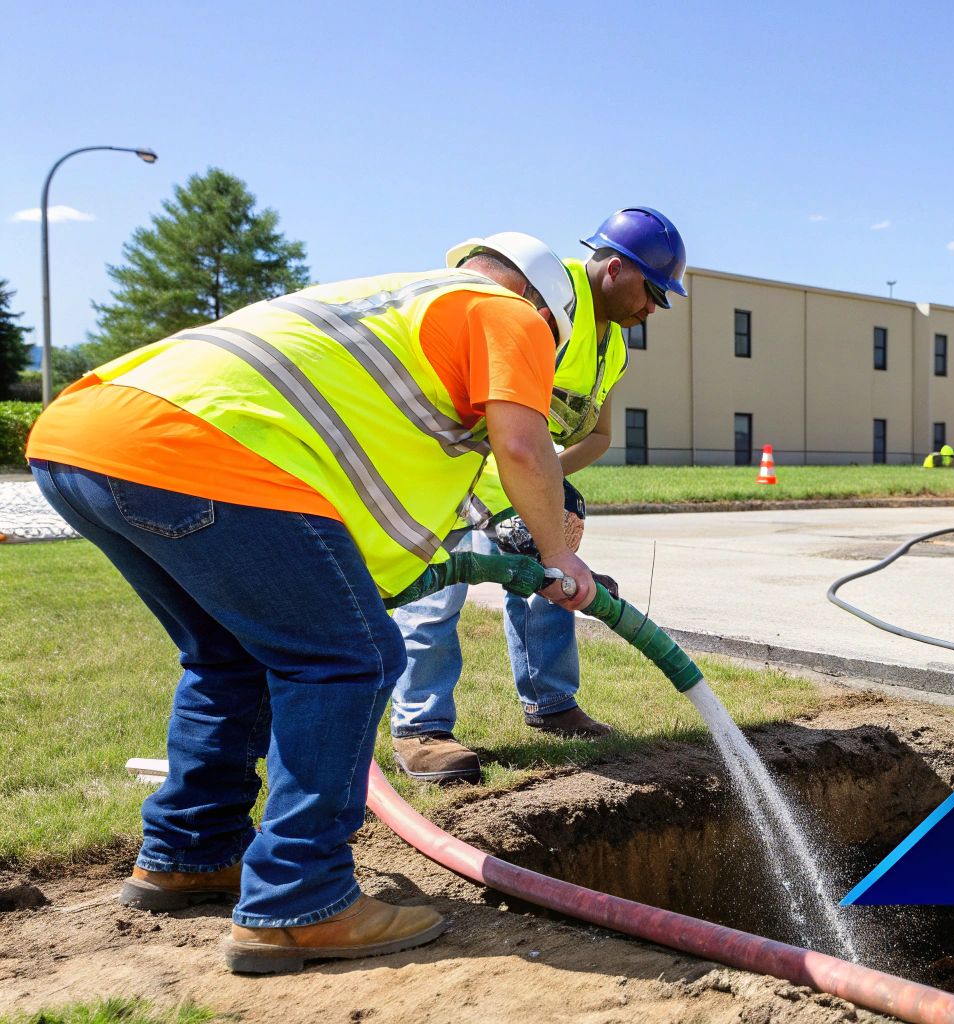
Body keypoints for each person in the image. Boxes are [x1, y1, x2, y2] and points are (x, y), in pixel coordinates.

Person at [24, 218, 683, 973]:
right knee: (351, 658)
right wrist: (563, 554)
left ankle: (190, 854)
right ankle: (298, 900)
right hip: (202, 450)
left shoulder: (394, 306)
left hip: (84, 436)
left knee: (228, 658)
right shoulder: (511, 314)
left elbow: (423, 457)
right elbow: (524, 445)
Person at [391, 210, 684, 785]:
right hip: (456, 462)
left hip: (516, 474)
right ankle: (420, 729)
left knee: (555, 580)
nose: (655, 309)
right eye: (653, 292)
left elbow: (595, 437)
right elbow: (495, 418)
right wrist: (523, 495)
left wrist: (547, 501)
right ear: (617, 269)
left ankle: (551, 706)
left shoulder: (615, 348)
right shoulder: (543, 299)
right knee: (436, 590)